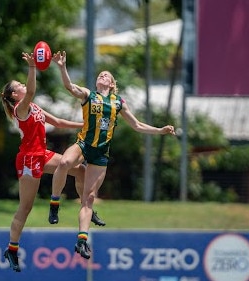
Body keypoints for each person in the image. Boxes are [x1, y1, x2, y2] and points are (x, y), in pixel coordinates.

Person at [50, 50, 176, 260]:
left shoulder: (118, 102)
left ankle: (82, 240)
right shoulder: (89, 95)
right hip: (83, 144)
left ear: (112, 84)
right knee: (64, 162)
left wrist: (160, 130)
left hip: (101, 152)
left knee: (89, 198)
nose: (102, 75)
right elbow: (69, 87)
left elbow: (136, 125)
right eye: (100, 74)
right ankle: (54, 204)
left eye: (106, 75)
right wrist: (62, 67)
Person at [0, 52, 101, 273]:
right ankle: (12, 249)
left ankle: (87, 207)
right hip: (28, 159)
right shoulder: (21, 108)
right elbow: (33, 89)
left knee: (80, 170)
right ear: (15, 94)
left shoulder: (34, 107)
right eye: (20, 85)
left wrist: (83, 125)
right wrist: (32, 67)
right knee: (25, 207)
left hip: (42, 154)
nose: (24, 87)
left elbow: (57, 121)